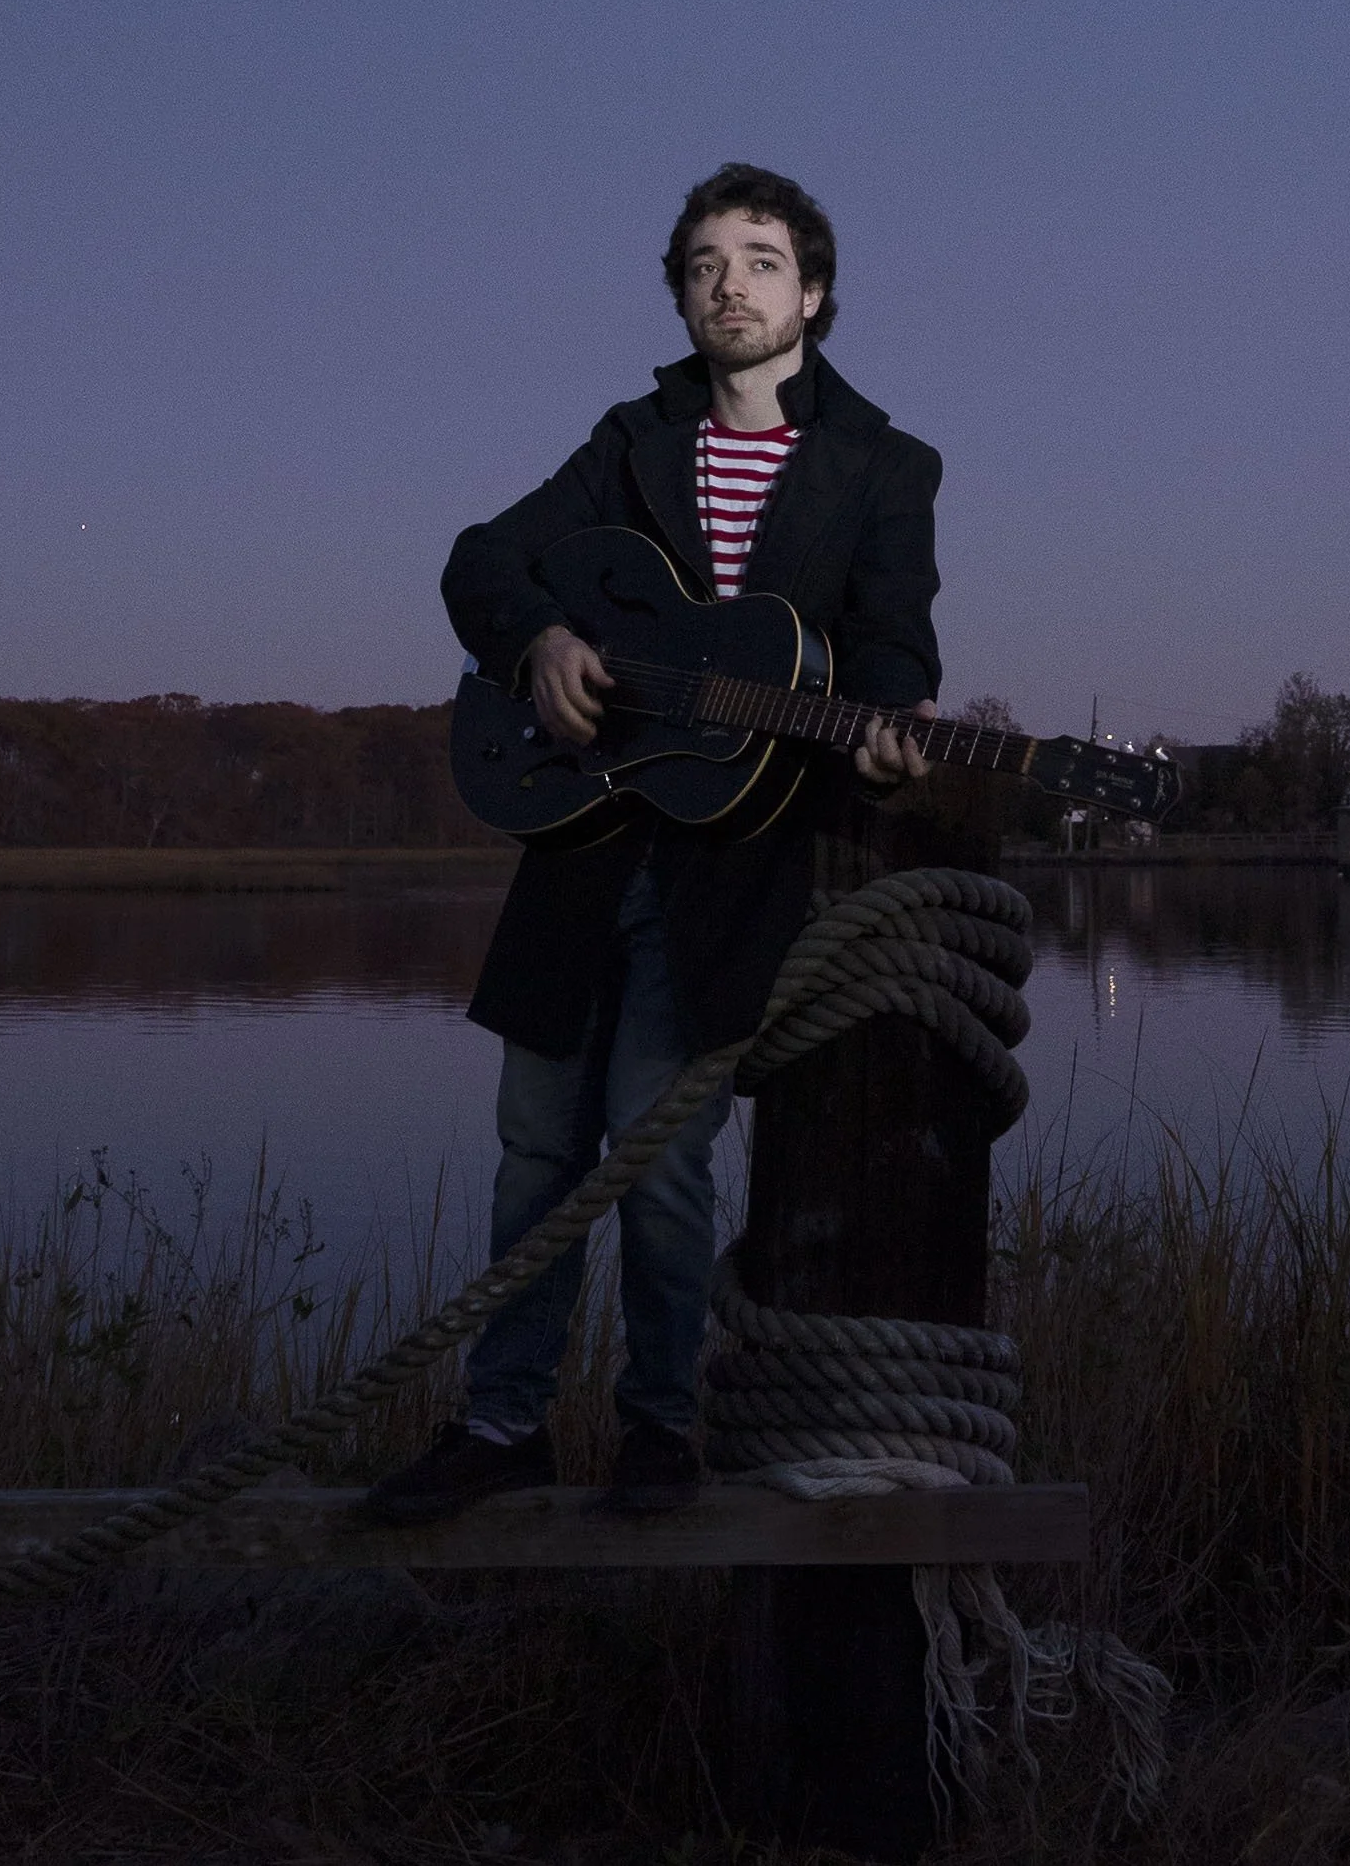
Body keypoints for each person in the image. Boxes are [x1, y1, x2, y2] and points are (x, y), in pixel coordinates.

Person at [366, 165, 940, 1523]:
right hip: (580, 838)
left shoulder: (882, 465)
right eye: (701, 264)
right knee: (532, 1149)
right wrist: (542, 639)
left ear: (815, 291)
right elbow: (480, 560)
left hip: (727, 864)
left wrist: (889, 726)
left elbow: (894, 642)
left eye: (757, 259)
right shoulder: (630, 439)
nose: (727, 283)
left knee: (659, 1152)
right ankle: (502, 1424)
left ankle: (659, 1427)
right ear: (681, 293)